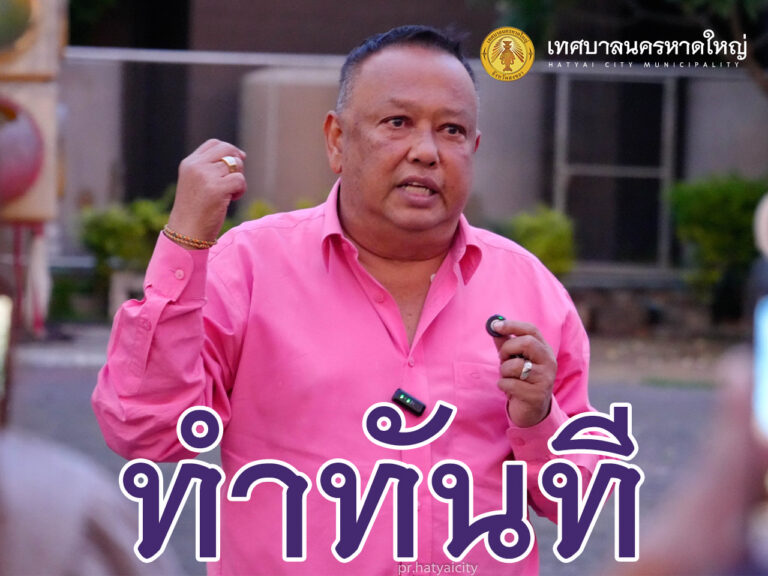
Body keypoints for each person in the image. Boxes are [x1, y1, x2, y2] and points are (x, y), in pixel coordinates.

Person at [93, 25, 602, 575]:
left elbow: (577, 503)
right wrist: (184, 243)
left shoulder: (529, 290)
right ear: (337, 140)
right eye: (397, 122)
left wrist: (539, 420)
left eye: (451, 130)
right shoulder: (248, 269)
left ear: (473, 149)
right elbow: (144, 431)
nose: (426, 152)